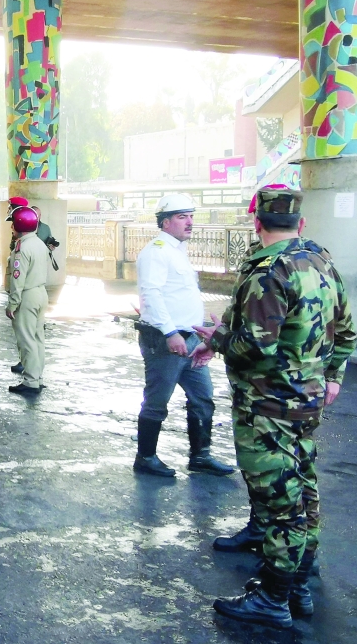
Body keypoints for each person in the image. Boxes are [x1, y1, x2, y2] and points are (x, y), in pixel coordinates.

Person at [193, 186, 356, 629]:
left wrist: (217, 339)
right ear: (299, 223)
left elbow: (255, 348)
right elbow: (348, 330)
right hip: (306, 401)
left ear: (258, 222)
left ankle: (273, 599)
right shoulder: (320, 261)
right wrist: (334, 378)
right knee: (303, 488)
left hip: (268, 406)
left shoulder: (270, 271)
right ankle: (299, 582)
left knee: (278, 503)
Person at [131, 193, 234, 477]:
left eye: (191, 216)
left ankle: (200, 456)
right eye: (181, 217)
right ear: (165, 222)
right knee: (157, 401)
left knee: (203, 397)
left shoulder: (177, 250)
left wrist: (199, 335)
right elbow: (150, 294)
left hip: (190, 339)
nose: (190, 222)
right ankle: (146, 457)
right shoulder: (157, 252)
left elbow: (179, 297)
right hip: (165, 341)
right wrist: (170, 332)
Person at [6, 202, 49, 396]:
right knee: (38, 338)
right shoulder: (39, 243)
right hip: (41, 293)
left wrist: (12, 304)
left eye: (13, 223)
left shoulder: (21, 248)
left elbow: (18, 279)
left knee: (27, 340)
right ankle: (37, 377)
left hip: (28, 295)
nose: (11, 227)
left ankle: (31, 381)